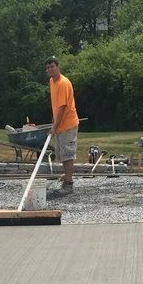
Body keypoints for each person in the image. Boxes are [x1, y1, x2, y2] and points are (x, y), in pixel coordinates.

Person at [44, 56, 79, 197]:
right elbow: (57, 106)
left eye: (52, 66)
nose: (50, 70)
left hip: (68, 124)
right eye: (47, 68)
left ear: (58, 67)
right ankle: (66, 175)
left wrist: (55, 126)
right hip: (60, 124)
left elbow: (63, 107)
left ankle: (69, 184)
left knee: (68, 154)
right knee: (62, 154)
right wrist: (54, 122)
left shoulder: (63, 83)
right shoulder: (52, 81)